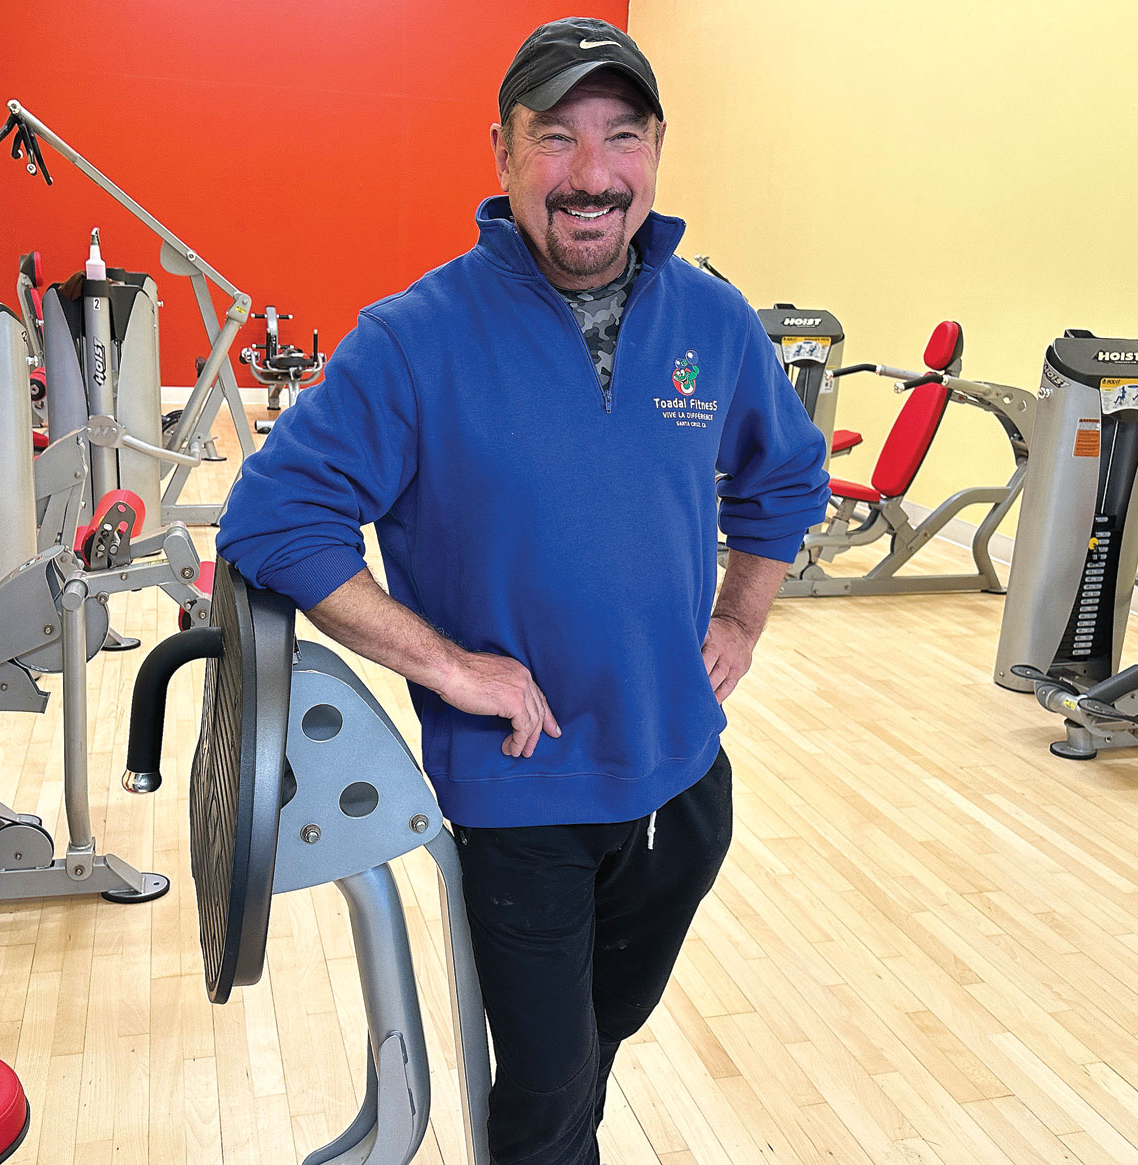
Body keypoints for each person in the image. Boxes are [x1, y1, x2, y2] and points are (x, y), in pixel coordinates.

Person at [217, 16, 830, 1164]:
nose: (591, 174)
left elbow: (785, 474)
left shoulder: (711, 318)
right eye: (555, 137)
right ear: (500, 154)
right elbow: (270, 520)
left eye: (621, 136)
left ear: (654, 152)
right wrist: (448, 667)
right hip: (520, 791)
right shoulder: (412, 339)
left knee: (596, 1041)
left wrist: (740, 615)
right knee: (545, 1100)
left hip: (683, 776)